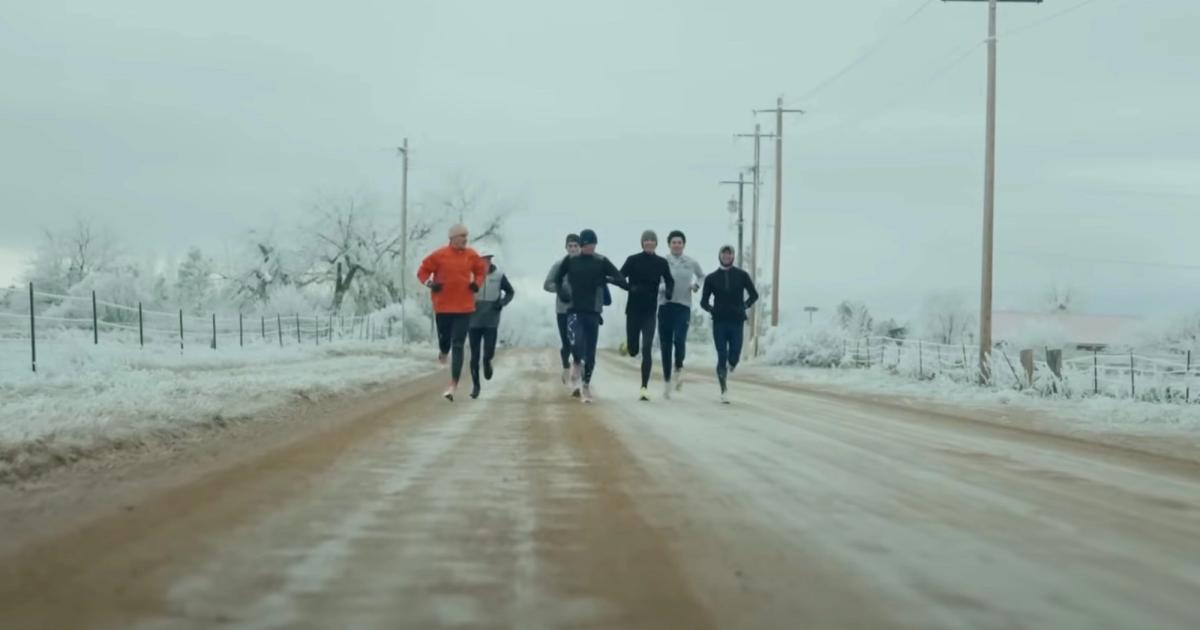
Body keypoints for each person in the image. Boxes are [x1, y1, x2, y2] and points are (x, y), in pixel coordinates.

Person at [554, 229, 628, 403]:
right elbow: (557, 279)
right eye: (587, 244)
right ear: (581, 245)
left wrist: (607, 280)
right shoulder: (571, 260)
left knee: (591, 351)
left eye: (593, 244)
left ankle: (585, 386)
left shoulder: (601, 261)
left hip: (593, 311)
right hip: (574, 309)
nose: (590, 247)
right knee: (576, 344)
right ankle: (576, 363)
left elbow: (621, 279)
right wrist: (562, 293)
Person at [417, 223, 489, 401]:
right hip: (443, 306)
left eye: (466, 236)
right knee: (445, 340)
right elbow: (422, 272)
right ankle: (443, 351)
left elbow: (481, 271)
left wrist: (476, 284)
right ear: (452, 239)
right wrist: (430, 284)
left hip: (464, 307)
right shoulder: (439, 255)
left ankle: (453, 384)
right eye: (461, 236)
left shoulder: (471, 255)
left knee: (458, 343)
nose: (465, 239)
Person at [699, 245, 759, 403]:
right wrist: (712, 310)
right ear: (719, 256)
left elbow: (754, 295)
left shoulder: (742, 275)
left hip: (737, 321)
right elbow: (703, 302)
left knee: (734, 356)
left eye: (729, 254)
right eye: (724, 254)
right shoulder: (711, 278)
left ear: (733, 256)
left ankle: (731, 365)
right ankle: (723, 389)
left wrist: (744, 306)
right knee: (722, 355)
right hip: (719, 322)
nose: (726, 256)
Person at [619, 230, 674, 401]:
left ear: (656, 243)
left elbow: (669, 279)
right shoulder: (633, 260)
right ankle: (628, 345)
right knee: (634, 350)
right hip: (633, 310)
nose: (649, 242)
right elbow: (620, 277)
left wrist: (669, 292)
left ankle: (644, 387)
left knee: (647, 348)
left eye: (652, 240)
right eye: (646, 240)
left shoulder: (661, 262)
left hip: (650, 311)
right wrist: (629, 288)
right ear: (642, 243)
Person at [659, 230, 705, 397]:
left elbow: (701, 276)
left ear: (683, 244)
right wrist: (664, 288)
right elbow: (655, 282)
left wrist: (696, 286)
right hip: (665, 306)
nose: (677, 245)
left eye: (679, 242)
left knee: (679, 340)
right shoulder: (662, 262)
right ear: (669, 244)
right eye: (674, 242)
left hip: (683, 306)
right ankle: (666, 382)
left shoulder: (691, 262)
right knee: (665, 345)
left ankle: (678, 367)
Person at [468, 253, 515, 399]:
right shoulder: (470, 275)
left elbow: (510, 292)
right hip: (473, 320)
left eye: (486, 261)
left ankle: (487, 361)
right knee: (474, 355)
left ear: (490, 262)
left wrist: (501, 303)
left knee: (489, 351)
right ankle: (476, 385)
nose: (483, 264)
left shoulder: (499, 276)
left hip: (491, 320)